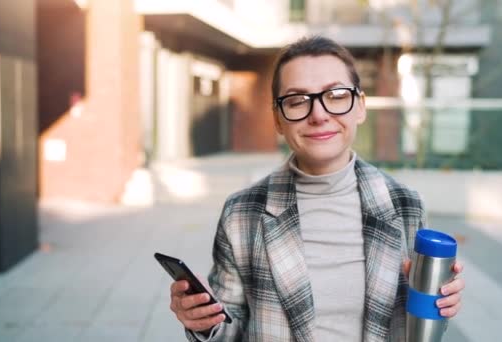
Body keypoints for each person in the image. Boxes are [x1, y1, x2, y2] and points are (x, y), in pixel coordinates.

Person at [169, 36, 465, 342]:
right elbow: (228, 330)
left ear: (360, 106)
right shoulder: (243, 213)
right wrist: (203, 321)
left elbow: (419, 327)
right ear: (278, 120)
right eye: (297, 101)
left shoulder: (404, 204)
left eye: (336, 95)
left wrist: (440, 300)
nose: (319, 115)